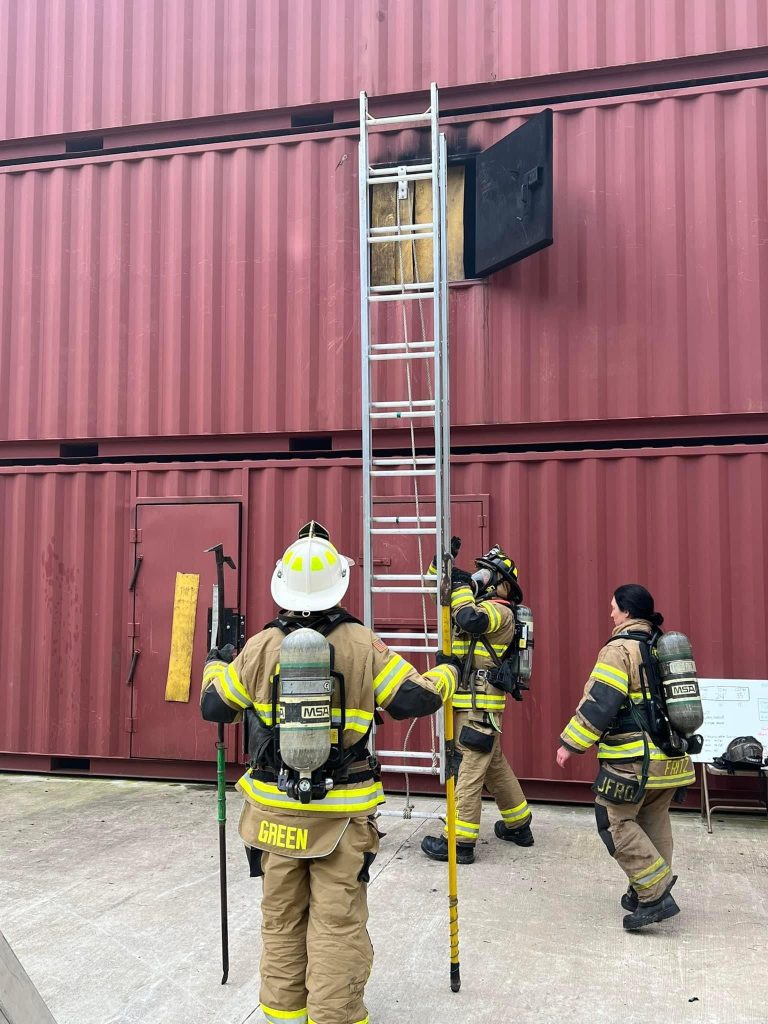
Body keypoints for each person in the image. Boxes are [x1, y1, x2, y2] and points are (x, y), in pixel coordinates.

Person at [200, 522, 458, 1024]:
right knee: (337, 925)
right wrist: (446, 671)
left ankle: (282, 1015)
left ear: (283, 587)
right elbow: (413, 700)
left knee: (281, 920)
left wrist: (215, 664)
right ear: (340, 583)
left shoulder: (259, 647)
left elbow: (215, 708)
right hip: (340, 816)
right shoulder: (362, 643)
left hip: (273, 813)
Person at [556, 584, 695, 931]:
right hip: (673, 759)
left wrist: (571, 744)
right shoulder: (659, 646)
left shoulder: (620, 649)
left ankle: (655, 894)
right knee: (653, 818)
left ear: (629, 612)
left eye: (614, 608)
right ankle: (642, 888)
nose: (611, 614)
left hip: (636, 761)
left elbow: (602, 701)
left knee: (613, 820)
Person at [421, 543, 533, 865]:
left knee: (469, 769)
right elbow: (439, 597)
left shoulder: (501, 611)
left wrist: (462, 585)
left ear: (503, 585)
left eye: (488, 575)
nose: (480, 578)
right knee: (493, 765)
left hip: (479, 707)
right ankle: (519, 825)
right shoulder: (471, 601)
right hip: (468, 704)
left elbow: (469, 619)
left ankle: (460, 842)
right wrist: (439, 564)